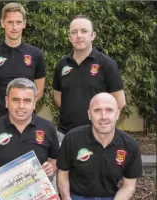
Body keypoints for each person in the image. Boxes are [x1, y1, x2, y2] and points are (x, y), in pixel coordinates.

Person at [55, 92, 155, 200]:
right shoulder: (73, 138)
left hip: (112, 199)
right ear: (89, 114)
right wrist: (66, 198)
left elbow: (129, 186)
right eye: (97, 111)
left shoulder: (130, 145)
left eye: (109, 110)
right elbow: (63, 173)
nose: (103, 116)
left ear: (117, 114)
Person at [0, 78, 58, 200]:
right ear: (6, 101)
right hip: (2, 197)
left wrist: (50, 168)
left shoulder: (48, 128)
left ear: (34, 103)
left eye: (27, 101)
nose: (21, 106)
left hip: (37, 196)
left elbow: (54, 161)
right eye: (16, 100)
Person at [53, 15, 126, 143]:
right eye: (74, 32)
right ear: (70, 38)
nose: (79, 35)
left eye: (84, 31)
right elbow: (58, 98)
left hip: (96, 135)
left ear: (93, 35)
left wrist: (103, 125)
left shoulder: (107, 64)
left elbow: (119, 101)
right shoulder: (61, 65)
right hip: (65, 134)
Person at [0, 2, 45, 123]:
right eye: (10, 22)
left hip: (27, 121)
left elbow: (39, 89)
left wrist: (22, 110)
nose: (14, 27)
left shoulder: (36, 54)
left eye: (18, 22)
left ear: (24, 24)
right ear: (2, 23)